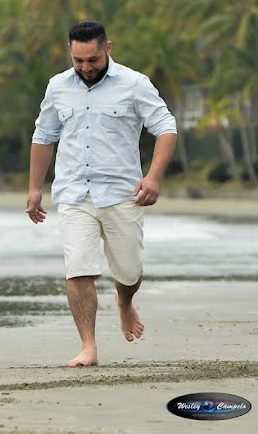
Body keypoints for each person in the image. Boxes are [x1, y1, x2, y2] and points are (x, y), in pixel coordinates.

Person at [26, 20, 177, 367]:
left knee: (128, 272)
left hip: (123, 193)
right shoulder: (58, 86)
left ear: (107, 48)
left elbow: (166, 128)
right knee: (78, 268)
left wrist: (153, 178)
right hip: (73, 193)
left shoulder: (135, 84)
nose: (85, 68)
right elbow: (43, 135)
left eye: (92, 59)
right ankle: (88, 345)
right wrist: (35, 188)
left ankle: (124, 301)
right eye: (78, 60)